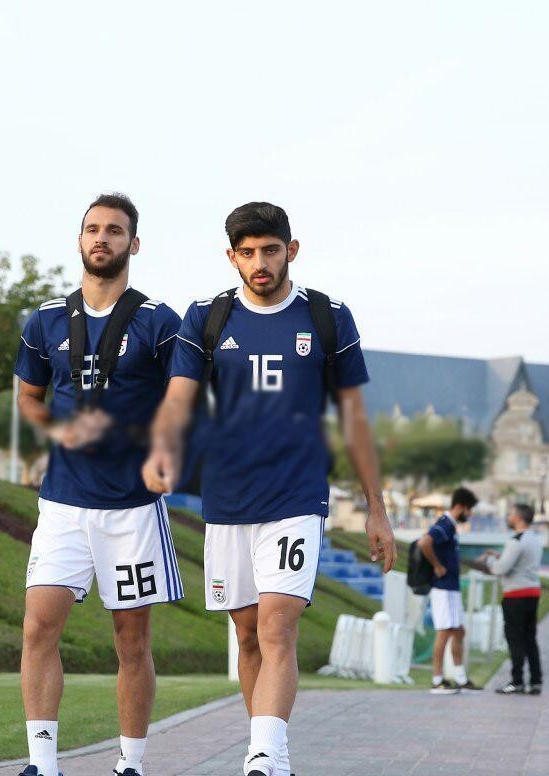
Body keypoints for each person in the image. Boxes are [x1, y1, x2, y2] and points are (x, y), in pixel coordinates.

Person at [142, 201, 396, 776]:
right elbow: (179, 398)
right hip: (228, 500)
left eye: (271, 250)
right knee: (248, 634)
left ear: (291, 250)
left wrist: (376, 508)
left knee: (278, 624)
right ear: (231, 256)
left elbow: (355, 418)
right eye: (248, 252)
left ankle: (264, 757)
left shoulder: (327, 317)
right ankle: (267, 749)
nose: (260, 262)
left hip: (296, 496)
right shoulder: (206, 317)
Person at [14, 193, 183, 776]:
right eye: (92, 229)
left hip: (132, 508)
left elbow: (183, 402)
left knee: (131, 643)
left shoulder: (160, 322)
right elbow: (28, 398)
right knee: (38, 626)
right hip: (62, 503)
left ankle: (130, 764)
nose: (101, 238)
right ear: (80, 240)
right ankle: (43, 764)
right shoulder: (45, 320)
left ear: (133, 243)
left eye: (114, 230)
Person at [417, 487, 480, 694]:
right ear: (460, 506)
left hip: (451, 587)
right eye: (469, 510)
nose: (469, 514)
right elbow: (425, 542)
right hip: (443, 588)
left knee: (459, 631)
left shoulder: (450, 526)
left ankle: (460, 678)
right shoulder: (445, 524)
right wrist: (437, 566)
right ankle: (437, 680)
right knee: (444, 632)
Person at [478, 503, 543, 695]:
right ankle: (536, 681)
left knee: (515, 638)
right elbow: (520, 562)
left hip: (516, 594)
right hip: (532, 592)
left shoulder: (516, 540)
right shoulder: (534, 539)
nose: (508, 517)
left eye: (511, 514)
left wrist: (490, 560)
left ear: (519, 518)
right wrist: (500, 556)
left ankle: (517, 681)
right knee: (530, 638)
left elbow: (500, 569)